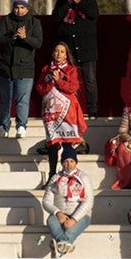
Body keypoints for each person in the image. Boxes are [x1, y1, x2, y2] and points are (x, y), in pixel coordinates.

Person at [0, 0, 43, 138]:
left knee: (22, 99)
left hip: (25, 69)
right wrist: (12, 37)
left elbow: (38, 43)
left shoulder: (34, 23)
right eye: (16, 7)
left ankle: (21, 126)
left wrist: (25, 38)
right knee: (4, 99)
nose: (19, 11)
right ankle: (3, 125)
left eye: (22, 7)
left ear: (27, 9)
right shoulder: (6, 20)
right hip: (5, 67)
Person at [35, 42, 87, 179]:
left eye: (62, 51)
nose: (59, 54)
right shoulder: (46, 69)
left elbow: (73, 88)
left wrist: (59, 81)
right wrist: (51, 82)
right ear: (53, 53)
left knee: (67, 142)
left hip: (67, 112)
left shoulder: (71, 69)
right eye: (56, 51)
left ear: (66, 55)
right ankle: (52, 175)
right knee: (52, 143)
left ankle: (69, 174)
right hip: (51, 113)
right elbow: (40, 89)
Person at [52, 0, 100, 118]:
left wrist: (80, 3)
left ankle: (92, 111)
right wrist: (67, 3)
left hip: (87, 48)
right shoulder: (62, 1)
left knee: (90, 81)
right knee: (70, 81)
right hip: (69, 49)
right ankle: (71, 111)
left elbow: (94, 14)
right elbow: (55, 17)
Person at [43, 144, 94, 257]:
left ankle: (58, 248)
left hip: (80, 215)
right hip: (61, 214)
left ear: (76, 162)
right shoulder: (55, 178)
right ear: (62, 163)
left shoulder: (83, 178)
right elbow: (46, 200)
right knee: (51, 221)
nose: (69, 164)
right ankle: (63, 245)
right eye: (66, 161)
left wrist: (74, 219)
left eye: (71, 161)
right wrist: (58, 213)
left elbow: (88, 201)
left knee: (70, 231)